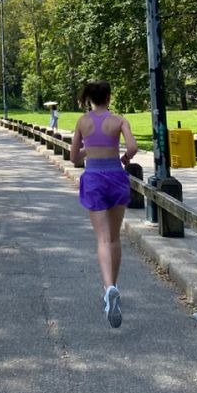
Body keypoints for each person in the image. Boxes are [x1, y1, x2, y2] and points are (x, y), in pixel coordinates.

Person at [70, 80, 138, 329]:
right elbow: (132, 147)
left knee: (102, 239)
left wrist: (90, 150)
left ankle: (108, 288)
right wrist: (124, 157)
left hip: (94, 178)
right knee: (115, 237)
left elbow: (74, 156)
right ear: (109, 97)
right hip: (116, 177)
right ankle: (114, 288)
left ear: (90, 98)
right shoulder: (119, 121)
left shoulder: (82, 122)